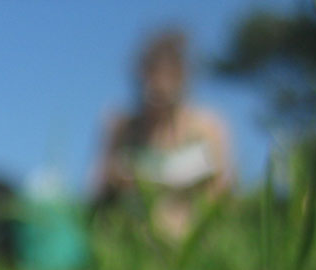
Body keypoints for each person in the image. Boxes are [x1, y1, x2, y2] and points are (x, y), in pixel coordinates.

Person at [95, 30, 233, 238]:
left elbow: (223, 189)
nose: (158, 85)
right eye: (152, 75)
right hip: (132, 238)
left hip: (194, 239)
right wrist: (117, 178)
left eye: (167, 76)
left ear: (182, 78)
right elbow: (98, 188)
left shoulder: (207, 126)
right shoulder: (121, 128)